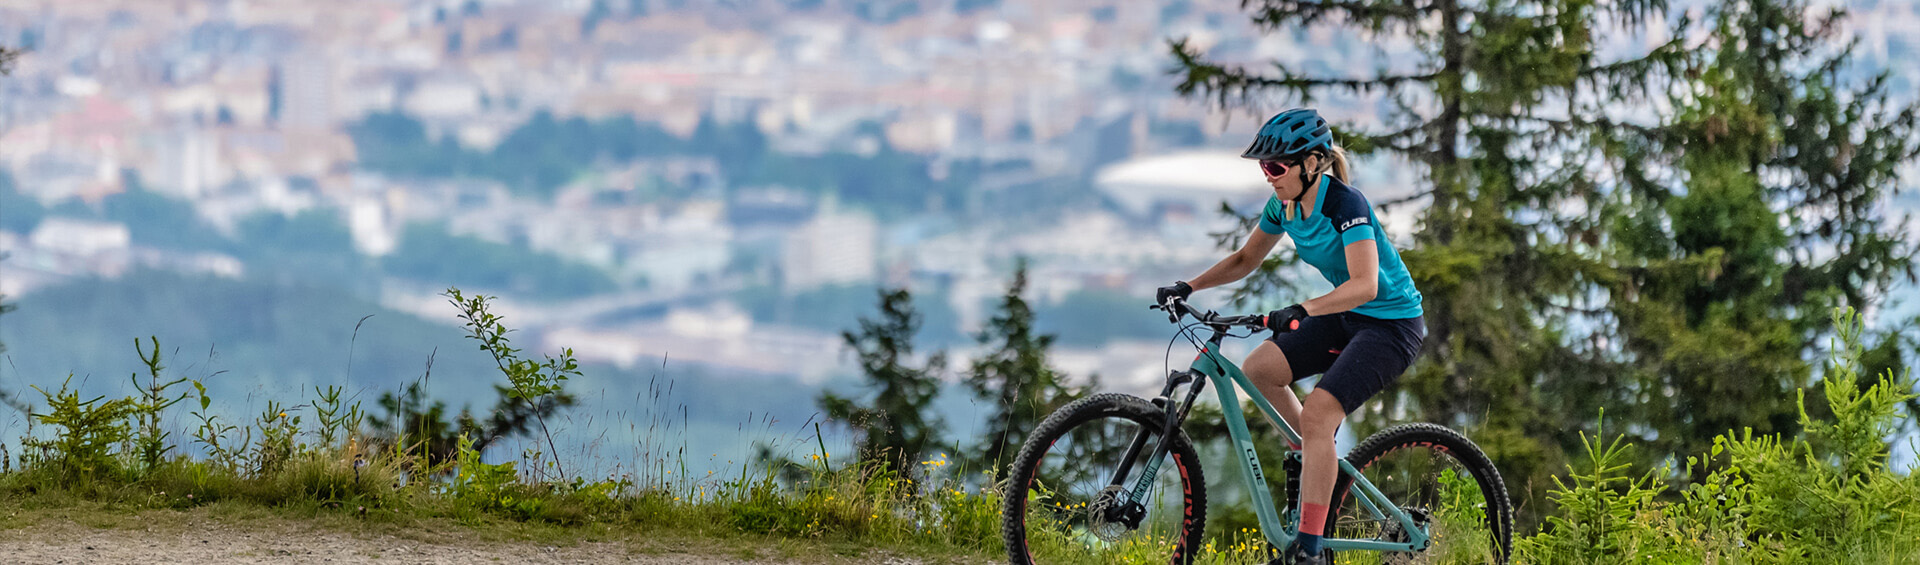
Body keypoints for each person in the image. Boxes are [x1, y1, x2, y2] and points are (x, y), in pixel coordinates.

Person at [1156, 108, 1426, 565]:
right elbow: (1245, 259)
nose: (1268, 176)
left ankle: (1310, 549)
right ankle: (1312, 456)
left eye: (1277, 167)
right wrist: (1189, 286)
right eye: (1264, 167)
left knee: (1319, 414)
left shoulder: (1346, 205)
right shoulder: (1283, 206)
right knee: (1260, 369)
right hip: (1347, 315)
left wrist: (1303, 309)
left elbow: (1366, 285)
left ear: (1312, 163)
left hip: (1391, 324)